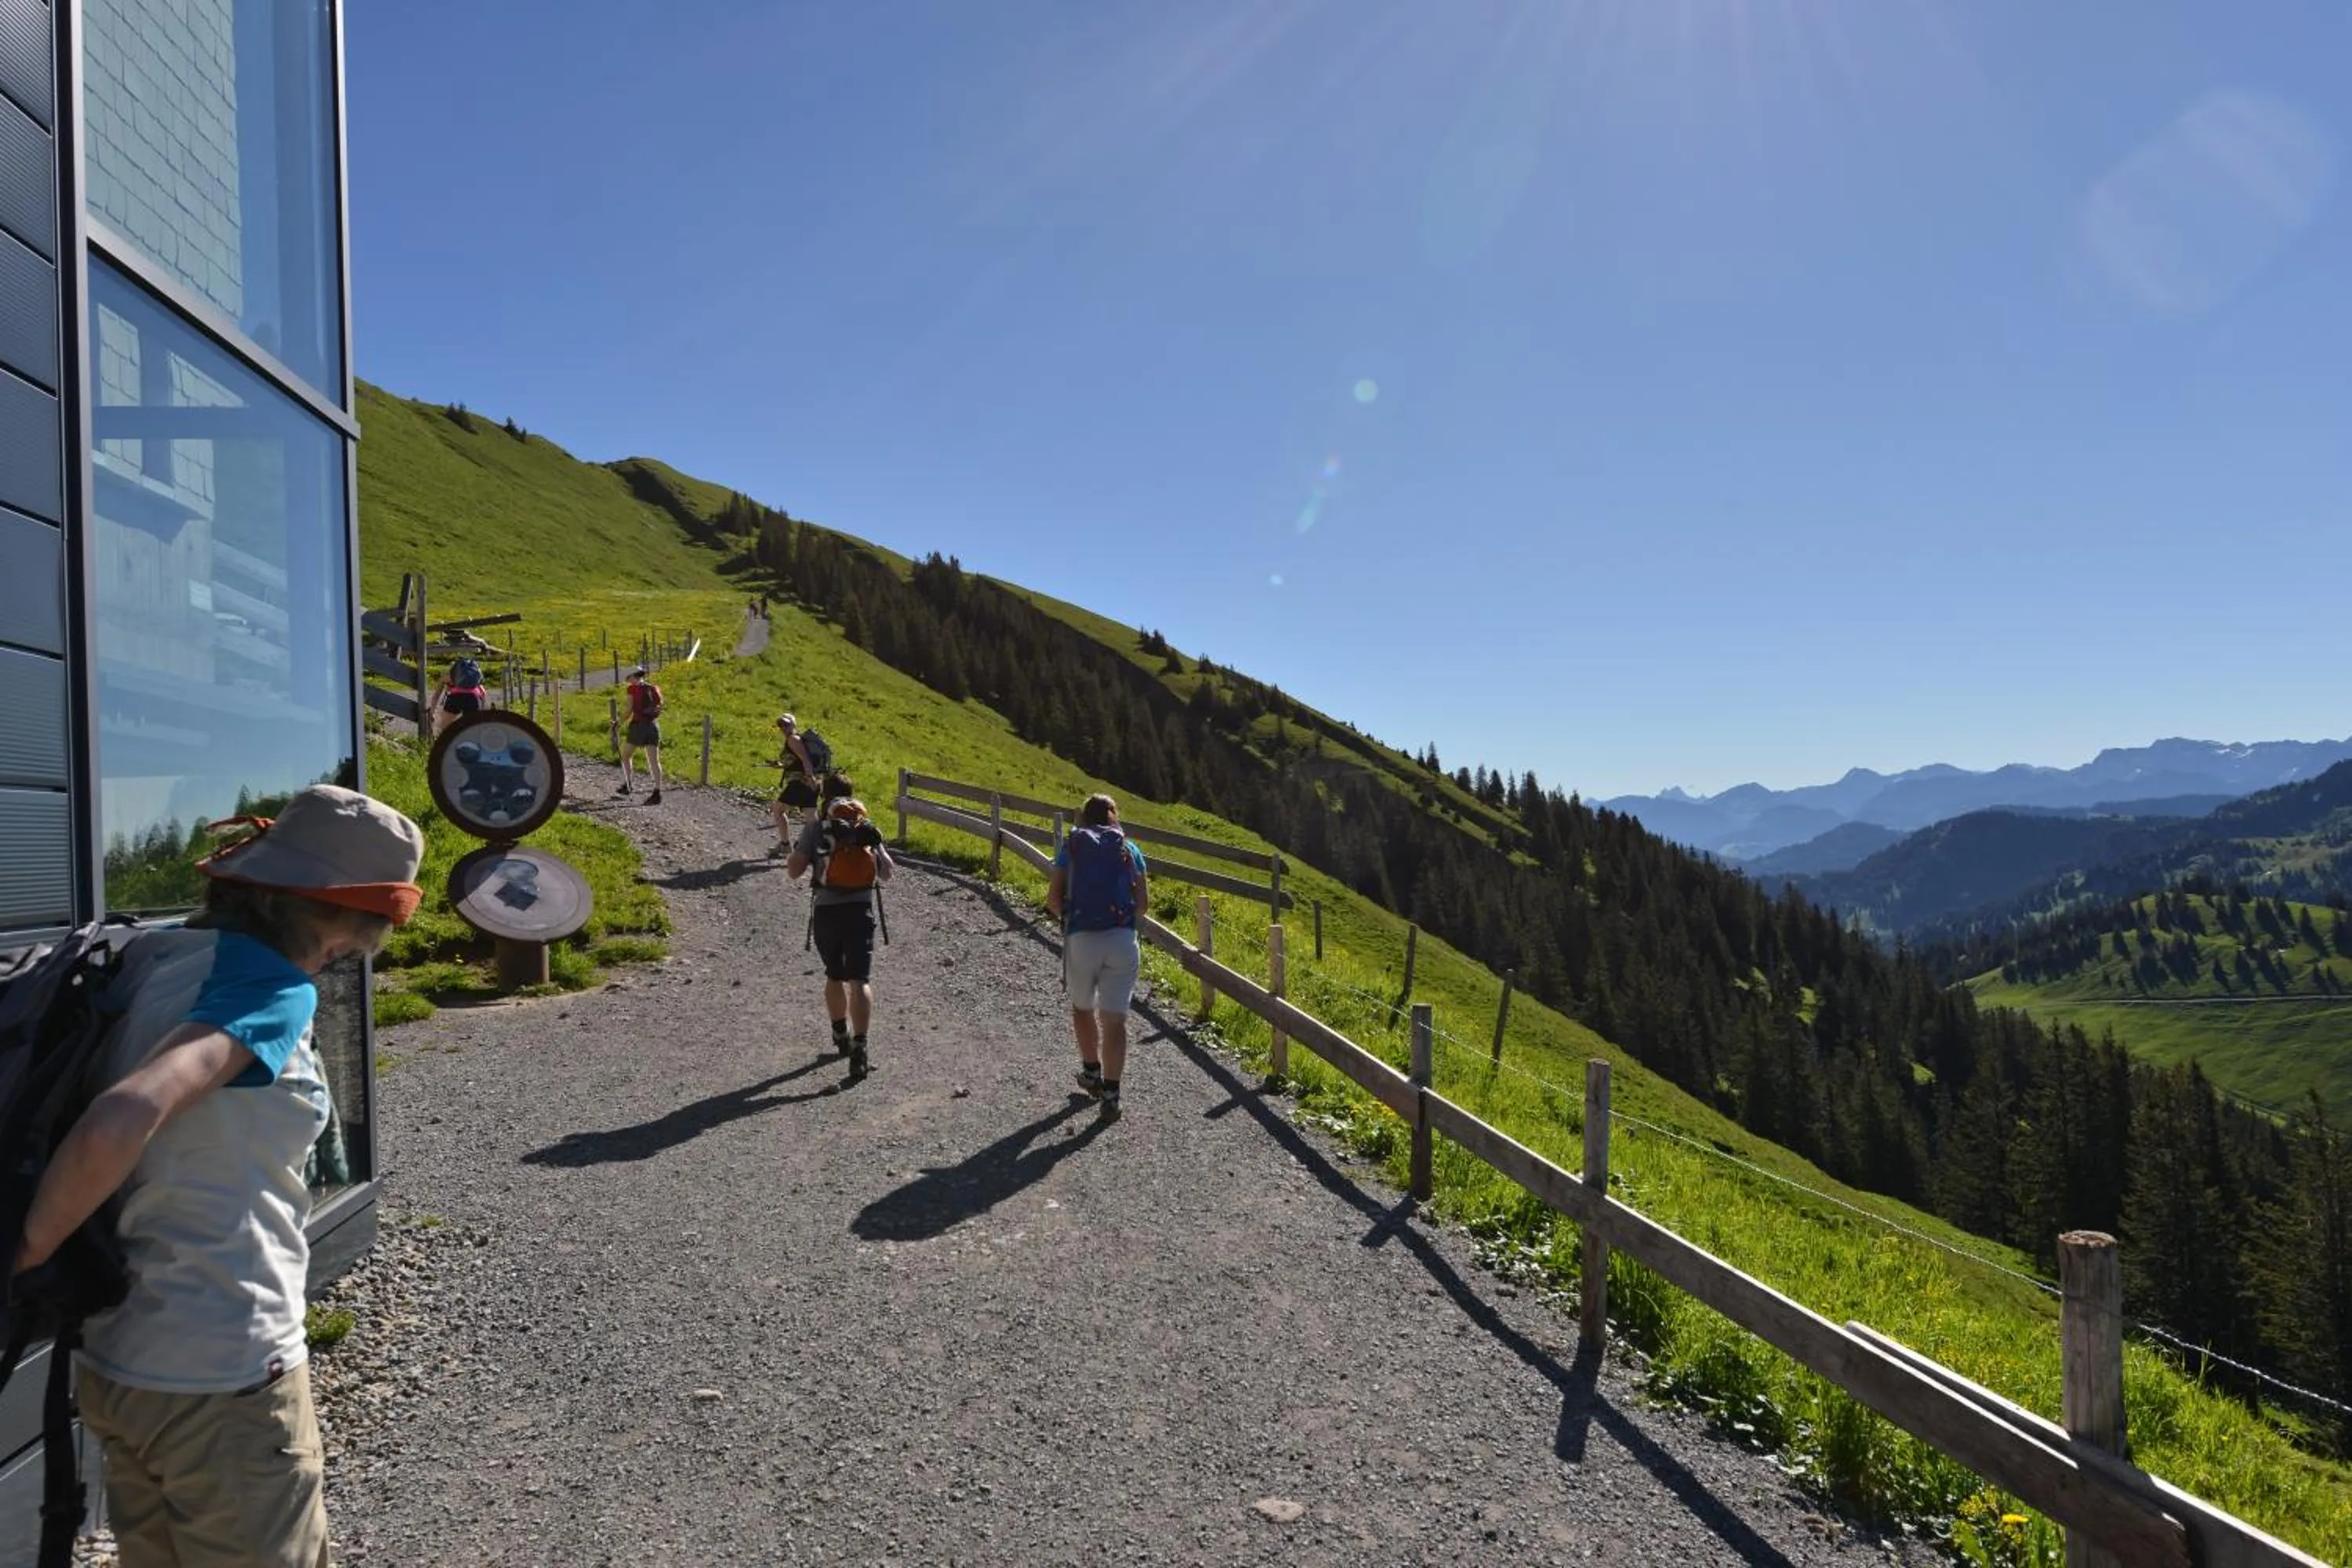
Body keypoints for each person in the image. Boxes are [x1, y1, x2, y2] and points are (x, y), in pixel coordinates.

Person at [13, 784, 426, 1568]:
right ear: (338, 916)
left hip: (118, 1365)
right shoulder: (269, 990)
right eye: (364, 924)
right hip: (226, 1372)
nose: (356, 946)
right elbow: (123, 1113)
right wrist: (25, 1250)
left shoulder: (151, 959)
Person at [1047, 793, 1149, 1122]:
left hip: (1082, 938)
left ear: (1083, 818)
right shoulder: (1129, 849)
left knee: (1082, 1007)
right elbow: (1143, 904)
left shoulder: (1073, 847)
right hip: (1122, 939)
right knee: (1115, 1020)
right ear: (1114, 817)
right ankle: (1112, 1093)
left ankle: (1091, 1071)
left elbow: (1053, 899)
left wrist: (1072, 915)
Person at [786, 774, 894, 1079]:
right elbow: (887, 873)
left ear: (825, 799)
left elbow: (794, 871)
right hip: (860, 910)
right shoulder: (866, 828)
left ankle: (840, 1035)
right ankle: (861, 1047)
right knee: (860, 980)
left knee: (835, 976)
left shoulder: (816, 828)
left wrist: (797, 854)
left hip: (827, 911)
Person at [768, 713, 818, 853]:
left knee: (778, 810)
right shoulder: (797, 739)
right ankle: (818, 848)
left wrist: (810, 777)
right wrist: (778, 765)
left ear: (793, 724)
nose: (783, 727)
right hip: (808, 783)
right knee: (812, 819)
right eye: (781, 725)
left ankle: (785, 845)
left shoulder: (793, 739)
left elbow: (805, 759)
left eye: (786, 724)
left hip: (800, 783)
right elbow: (795, 763)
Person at [619, 664, 665, 804]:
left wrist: (618, 723)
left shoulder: (633, 689)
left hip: (639, 727)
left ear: (633, 677)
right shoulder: (653, 688)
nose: (628, 680)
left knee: (626, 755)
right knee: (654, 761)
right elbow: (660, 706)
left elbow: (629, 710)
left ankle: (628, 784)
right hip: (653, 726)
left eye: (629, 677)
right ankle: (657, 792)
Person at [429, 655, 489, 737]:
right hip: (473, 699)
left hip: (455, 699)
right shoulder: (473, 677)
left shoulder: (447, 675)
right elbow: (484, 693)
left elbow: (436, 696)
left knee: (445, 730)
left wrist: (432, 712)